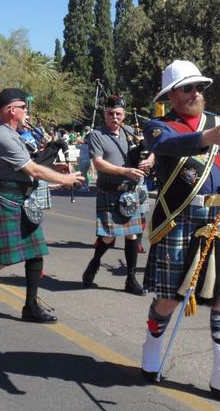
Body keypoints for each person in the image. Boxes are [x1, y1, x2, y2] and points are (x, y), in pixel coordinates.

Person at [141, 60, 220, 407]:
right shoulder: (158, 126)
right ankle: (152, 344)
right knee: (170, 298)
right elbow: (168, 148)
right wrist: (207, 139)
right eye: (188, 88)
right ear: (172, 95)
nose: (196, 93)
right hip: (178, 219)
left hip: (216, 217)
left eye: (199, 87)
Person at [0, 88, 84, 323]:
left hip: (23, 200)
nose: (27, 113)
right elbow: (31, 169)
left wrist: (56, 169)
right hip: (8, 200)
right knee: (0, 261)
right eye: (24, 108)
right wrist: (64, 180)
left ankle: (30, 306)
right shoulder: (2, 136)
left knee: (36, 254)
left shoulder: (15, 136)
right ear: (12, 110)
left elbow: (31, 166)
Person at [81, 95, 153, 295]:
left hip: (131, 191)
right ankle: (94, 263)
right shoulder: (97, 134)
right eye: (110, 113)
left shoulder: (130, 132)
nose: (114, 117)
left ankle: (130, 279)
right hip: (110, 190)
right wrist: (124, 171)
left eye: (118, 114)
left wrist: (150, 160)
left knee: (132, 235)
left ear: (124, 114)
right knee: (108, 238)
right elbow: (98, 162)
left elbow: (151, 148)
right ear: (105, 114)